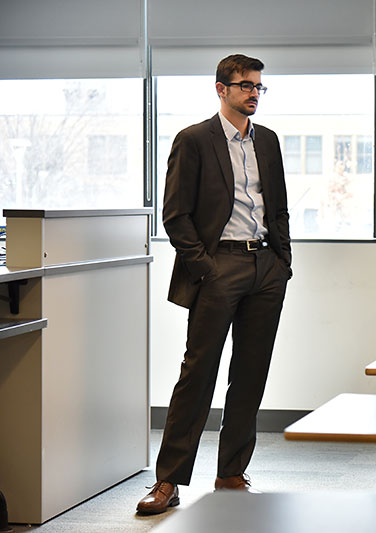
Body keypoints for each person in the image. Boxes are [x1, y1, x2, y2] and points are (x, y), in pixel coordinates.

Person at [136, 54, 292, 514]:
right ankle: (168, 483)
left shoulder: (268, 141)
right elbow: (176, 214)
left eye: (259, 87)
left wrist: (282, 261)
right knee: (198, 373)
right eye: (245, 85)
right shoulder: (194, 140)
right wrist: (204, 267)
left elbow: (277, 207)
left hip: (264, 268)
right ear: (221, 89)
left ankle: (230, 475)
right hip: (218, 267)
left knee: (250, 375)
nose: (253, 93)